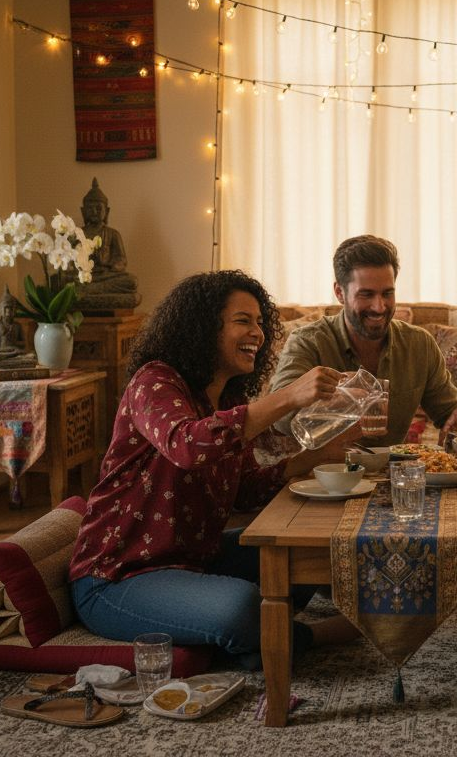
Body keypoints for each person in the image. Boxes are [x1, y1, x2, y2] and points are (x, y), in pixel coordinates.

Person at [68, 270, 359, 665]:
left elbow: (245, 492)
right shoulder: (153, 382)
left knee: (299, 557)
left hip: (194, 561)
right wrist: (289, 395)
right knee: (242, 606)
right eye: (243, 321)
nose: (257, 333)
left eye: (260, 323)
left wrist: (312, 458)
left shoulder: (224, 399)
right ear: (203, 327)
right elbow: (188, 445)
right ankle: (300, 637)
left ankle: (239, 638)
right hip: (118, 577)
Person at [270, 234, 457, 446]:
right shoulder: (307, 342)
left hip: (391, 473)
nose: (379, 307)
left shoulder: (420, 344)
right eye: (366, 295)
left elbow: (449, 409)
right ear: (339, 293)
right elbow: (277, 418)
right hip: (323, 474)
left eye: (387, 293)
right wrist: (339, 398)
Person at [74, 178, 140, 308]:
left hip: (106, 276)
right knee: (60, 281)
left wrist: (108, 265)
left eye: (98, 208)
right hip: (84, 278)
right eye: (90, 208)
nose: (94, 212)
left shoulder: (113, 234)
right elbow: (70, 262)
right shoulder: (77, 234)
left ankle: (88, 292)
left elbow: (121, 260)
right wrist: (82, 265)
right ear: (83, 211)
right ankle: (87, 290)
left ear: (107, 212)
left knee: (131, 281)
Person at [0, 287, 37, 368]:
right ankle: (5, 362)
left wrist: (15, 344)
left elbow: (23, 343)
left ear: (15, 311)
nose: (8, 311)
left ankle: (3, 364)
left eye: (11, 308)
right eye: (6, 308)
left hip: (15, 352)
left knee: (32, 355)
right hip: (2, 352)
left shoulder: (17, 326)